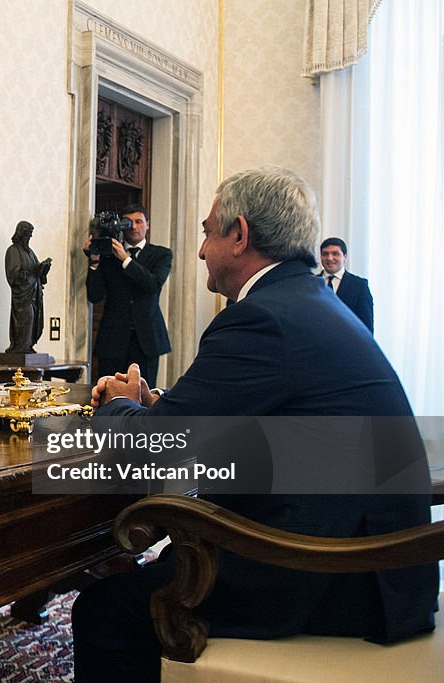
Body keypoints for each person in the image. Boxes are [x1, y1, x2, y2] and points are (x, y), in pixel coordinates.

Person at [72, 167, 436, 682]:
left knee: (103, 610)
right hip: (375, 567)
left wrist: (118, 403)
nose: (199, 251)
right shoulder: (308, 302)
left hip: (329, 577)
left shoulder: (261, 317)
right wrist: (162, 404)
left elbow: (154, 454)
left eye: (206, 231)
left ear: (239, 235)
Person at [85, 203, 171, 387]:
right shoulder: (108, 255)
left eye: (139, 221)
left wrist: (125, 259)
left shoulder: (161, 254)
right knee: (109, 395)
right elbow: (95, 295)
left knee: (143, 396)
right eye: (128, 222)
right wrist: (93, 262)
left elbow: (152, 285)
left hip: (146, 341)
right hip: (113, 339)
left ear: (148, 224)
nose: (133, 227)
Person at [4, 220, 52, 354]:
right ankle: (20, 347)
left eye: (31, 235)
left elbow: (36, 272)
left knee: (34, 318)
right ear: (21, 234)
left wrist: (43, 269)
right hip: (22, 296)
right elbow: (13, 274)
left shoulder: (30, 252)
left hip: (34, 293)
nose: (29, 237)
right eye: (27, 234)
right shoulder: (13, 251)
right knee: (27, 317)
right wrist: (22, 275)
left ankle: (28, 345)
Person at [320, 236, 374, 332]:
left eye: (335, 254)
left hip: (348, 344)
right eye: (325, 254)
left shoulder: (359, 286)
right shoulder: (311, 282)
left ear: (345, 257)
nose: (329, 258)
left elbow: (366, 326)